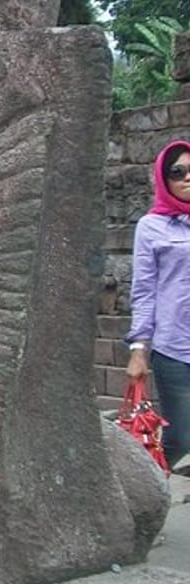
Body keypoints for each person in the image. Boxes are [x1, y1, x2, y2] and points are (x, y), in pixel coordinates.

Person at [127, 139, 190, 474]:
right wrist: (139, 349)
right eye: (177, 172)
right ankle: (149, 489)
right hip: (175, 349)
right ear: (164, 179)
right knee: (181, 437)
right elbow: (144, 291)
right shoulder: (151, 227)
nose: (187, 177)